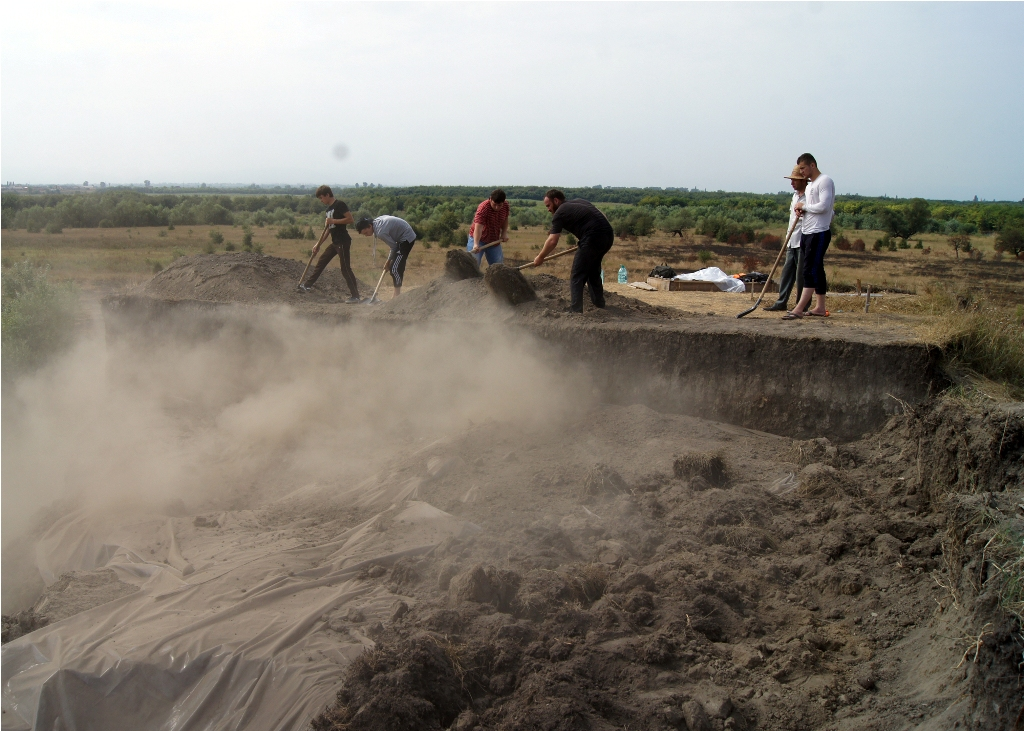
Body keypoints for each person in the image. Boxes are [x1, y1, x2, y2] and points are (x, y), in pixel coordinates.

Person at [534, 189, 614, 313]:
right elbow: (601, 214)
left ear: (556, 200)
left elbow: (552, 241)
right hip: (608, 235)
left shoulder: (559, 212)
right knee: (592, 271)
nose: (548, 209)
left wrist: (540, 256)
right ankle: (600, 305)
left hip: (592, 238)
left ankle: (575, 311)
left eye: (548, 205)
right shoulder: (578, 201)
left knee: (577, 275)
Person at [784, 153, 835, 319]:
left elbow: (825, 207)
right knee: (817, 270)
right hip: (807, 231)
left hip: (819, 232)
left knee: (809, 270)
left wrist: (804, 207)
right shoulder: (811, 185)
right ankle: (820, 307)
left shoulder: (825, 181)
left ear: (812, 165)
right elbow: (812, 207)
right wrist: (802, 209)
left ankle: (799, 309)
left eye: (803, 168)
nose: (802, 172)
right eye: (800, 169)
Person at [299, 186, 360, 302]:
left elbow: (350, 219)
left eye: (321, 198)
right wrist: (318, 244)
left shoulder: (339, 204)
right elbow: (328, 230)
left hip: (343, 241)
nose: (321, 200)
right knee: (321, 261)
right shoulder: (328, 211)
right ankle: (307, 285)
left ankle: (355, 296)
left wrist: (334, 221)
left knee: (345, 268)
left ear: (327, 195)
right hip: (335, 242)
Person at [764, 167, 807, 311]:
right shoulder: (795, 196)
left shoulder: (810, 196)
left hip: (803, 241)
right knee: (787, 272)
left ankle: (801, 306)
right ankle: (781, 301)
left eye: (794, 180)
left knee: (801, 275)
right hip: (791, 240)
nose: (792, 183)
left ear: (802, 180)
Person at [355, 215, 417, 298]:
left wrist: (388, 262)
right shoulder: (375, 222)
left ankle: (397, 296)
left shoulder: (381, 232)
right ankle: (396, 295)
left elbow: (394, 247)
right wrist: (388, 262)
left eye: (366, 233)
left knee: (395, 268)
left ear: (370, 226)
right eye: (364, 234)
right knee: (395, 266)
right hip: (401, 237)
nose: (366, 235)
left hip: (406, 238)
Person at [467, 189, 510, 266]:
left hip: (494, 240)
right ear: (490, 199)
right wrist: (476, 244)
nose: (497, 207)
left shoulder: (506, 206)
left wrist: (504, 233)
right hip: (478, 238)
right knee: (473, 265)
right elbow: (478, 228)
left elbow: (505, 219)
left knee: (498, 266)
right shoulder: (483, 208)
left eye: (499, 205)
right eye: (494, 204)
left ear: (503, 202)